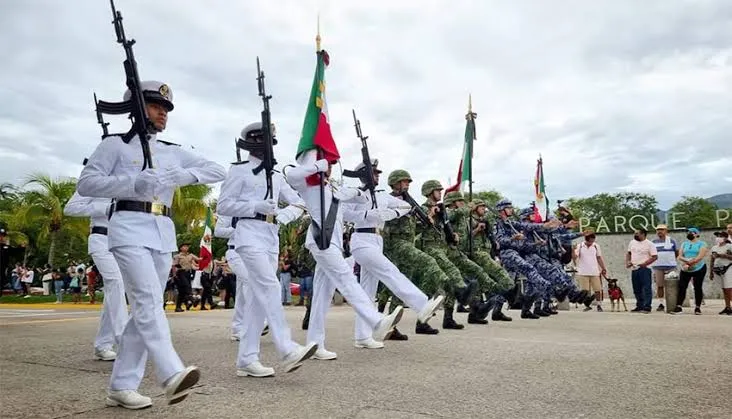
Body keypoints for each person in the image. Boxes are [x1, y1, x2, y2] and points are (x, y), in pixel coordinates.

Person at [78, 80, 225, 408]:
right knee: (146, 301)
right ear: (135, 109)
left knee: (146, 310)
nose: (163, 113)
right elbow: (86, 183)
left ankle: (121, 385)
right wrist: (131, 182)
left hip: (161, 233)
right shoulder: (114, 146)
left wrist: (180, 176)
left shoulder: (172, 150)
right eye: (157, 106)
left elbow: (217, 170)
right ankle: (171, 373)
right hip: (128, 228)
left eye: (166, 109)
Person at [217, 122, 317, 377]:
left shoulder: (275, 174)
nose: (270, 144)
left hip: (270, 237)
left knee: (258, 300)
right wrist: (254, 206)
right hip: (248, 234)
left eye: (271, 139)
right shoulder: (238, 171)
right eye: (264, 139)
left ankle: (247, 359)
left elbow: (298, 202)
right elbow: (224, 206)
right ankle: (286, 347)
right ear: (252, 142)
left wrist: (282, 216)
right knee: (270, 286)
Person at [285, 153, 404, 360]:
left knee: (323, 296)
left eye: (331, 164)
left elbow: (352, 198)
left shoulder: (333, 189)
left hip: (334, 243)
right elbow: (290, 173)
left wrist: (364, 190)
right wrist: (315, 166)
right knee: (346, 278)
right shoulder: (310, 185)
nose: (329, 167)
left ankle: (315, 343)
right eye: (326, 164)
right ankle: (376, 320)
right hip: (321, 242)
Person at [343, 160, 444, 348]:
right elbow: (345, 214)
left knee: (368, 291)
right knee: (390, 271)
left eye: (378, 173)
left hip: (377, 240)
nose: (378, 176)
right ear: (364, 175)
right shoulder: (355, 195)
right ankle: (421, 305)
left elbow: (406, 207)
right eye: (374, 173)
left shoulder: (382, 196)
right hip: (361, 239)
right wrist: (369, 215)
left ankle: (362, 337)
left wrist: (391, 213)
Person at [64, 191, 128, 360]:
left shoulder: (127, 181)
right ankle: (124, 339)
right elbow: (70, 208)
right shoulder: (93, 181)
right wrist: (103, 208)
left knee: (113, 292)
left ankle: (103, 345)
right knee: (115, 282)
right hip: (100, 238)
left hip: (124, 240)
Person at [673, 227, 708, 315]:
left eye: (691, 232)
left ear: (696, 234)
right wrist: (686, 261)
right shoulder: (684, 244)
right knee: (682, 286)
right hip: (686, 268)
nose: (689, 233)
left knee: (697, 287)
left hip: (699, 267)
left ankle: (697, 307)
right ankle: (679, 306)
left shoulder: (702, 243)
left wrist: (691, 263)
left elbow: (700, 256)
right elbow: (679, 256)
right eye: (688, 232)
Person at [573, 230, 607, 312]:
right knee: (585, 290)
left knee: (597, 289)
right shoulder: (580, 246)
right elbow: (575, 257)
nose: (591, 243)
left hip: (594, 271)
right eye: (590, 241)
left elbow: (599, 257)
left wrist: (603, 268)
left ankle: (599, 304)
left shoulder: (596, 246)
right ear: (586, 240)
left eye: (593, 241)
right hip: (583, 271)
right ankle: (587, 305)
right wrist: (572, 251)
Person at [625, 228, 658, 313]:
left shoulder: (649, 244)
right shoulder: (632, 242)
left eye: (637, 233)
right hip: (634, 268)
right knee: (636, 289)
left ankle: (647, 306)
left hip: (645, 269)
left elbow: (654, 256)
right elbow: (629, 253)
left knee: (646, 288)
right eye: (635, 233)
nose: (635, 235)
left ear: (643, 234)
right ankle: (639, 305)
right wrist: (628, 262)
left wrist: (645, 263)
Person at [650, 224, 679, 312]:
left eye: (662, 230)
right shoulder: (653, 242)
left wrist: (671, 260)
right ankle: (661, 303)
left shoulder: (672, 241)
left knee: (672, 285)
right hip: (658, 266)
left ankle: (673, 302)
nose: (659, 231)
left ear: (666, 231)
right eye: (658, 230)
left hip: (670, 266)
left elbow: (676, 252)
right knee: (660, 285)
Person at [709, 231, 732, 315]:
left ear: (725, 238)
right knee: (724, 289)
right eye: (717, 236)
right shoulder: (714, 247)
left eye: (720, 236)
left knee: (728, 289)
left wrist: (723, 255)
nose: (718, 237)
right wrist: (711, 271)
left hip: (728, 267)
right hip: (718, 269)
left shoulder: (729, 246)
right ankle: (728, 307)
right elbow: (712, 259)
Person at [173, 243, 199, 312]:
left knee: (182, 291)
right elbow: (174, 266)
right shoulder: (177, 256)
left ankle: (178, 307)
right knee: (186, 286)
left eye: (187, 246)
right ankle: (192, 299)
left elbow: (198, 260)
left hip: (188, 273)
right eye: (184, 246)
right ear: (181, 248)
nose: (186, 247)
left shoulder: (190, 255)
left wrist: (205, 257)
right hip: (180, 273)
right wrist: (174, 275)